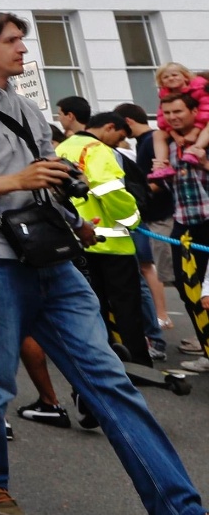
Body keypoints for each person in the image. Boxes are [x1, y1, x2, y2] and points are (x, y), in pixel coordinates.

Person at [0, 11, 203, 515]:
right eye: (12, 41)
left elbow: (43, 175)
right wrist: (17, 181)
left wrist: (71, 214)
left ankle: (178, 507)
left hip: (54, 259)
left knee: (111, 383)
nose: (23, 49)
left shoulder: (28, 108)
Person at [53, 101, 150, 375]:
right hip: (113, 244)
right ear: (109, 127)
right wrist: (133, 218)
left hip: (77, 240)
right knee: (127, 307)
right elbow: (111, 192)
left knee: (92, 306)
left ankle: (102, 363)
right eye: (119, 136)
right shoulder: (97, 150)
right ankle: (138, 366)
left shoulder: (62, 148)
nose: (119, 142)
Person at [117, 102, 177, 363]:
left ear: (127, 122)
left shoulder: (151, 139)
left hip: (161, 216)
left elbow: (161, 179)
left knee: (157, 270)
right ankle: (161, 317)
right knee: (151, 268)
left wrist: (132, 196)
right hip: (151, 217)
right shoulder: (144, 141)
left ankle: (162, 317)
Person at [159, 91, 209, 373]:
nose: (173, 117)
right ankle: (207, 349)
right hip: (182, 222)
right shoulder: (167, 143)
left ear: (193, 112)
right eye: (168, 113)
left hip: (207, 220)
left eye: (178, 111)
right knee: (188, 289)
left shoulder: (204, 140)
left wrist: (204, 163)